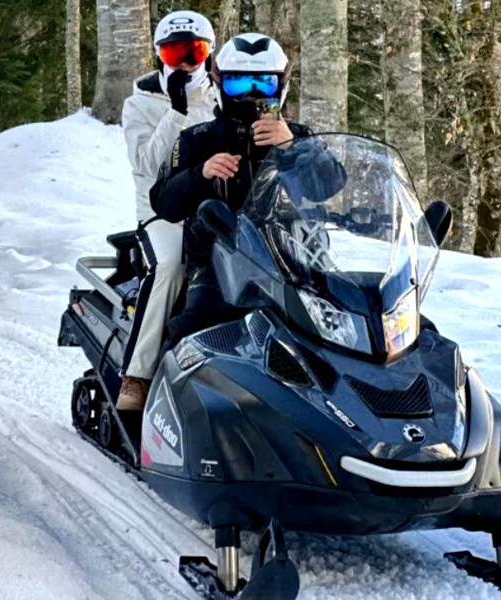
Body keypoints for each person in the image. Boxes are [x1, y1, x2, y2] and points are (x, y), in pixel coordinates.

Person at [150, 33, 344, 347]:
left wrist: (291, 147)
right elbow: (163, 203)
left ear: (281, 86)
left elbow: (332, 184)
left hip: (297, 262)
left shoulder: (298, 136)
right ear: (218, 84)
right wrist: (201, 173)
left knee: (354, 328)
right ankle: (161, 388)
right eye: (238, 85)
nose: (250, 96)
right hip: (219, 264)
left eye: (263, 85)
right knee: (192, 333)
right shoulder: (198, 139)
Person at [116, 11, 218, 411]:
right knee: (173, 268)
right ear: (159, 55)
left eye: (196, 51)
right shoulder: (139, 104)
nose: (186, 62)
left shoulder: (220, 95)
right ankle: (136, 376)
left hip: (217, 210)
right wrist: (175, 113)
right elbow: (146, 164)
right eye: (175, 51)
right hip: (164, 213)